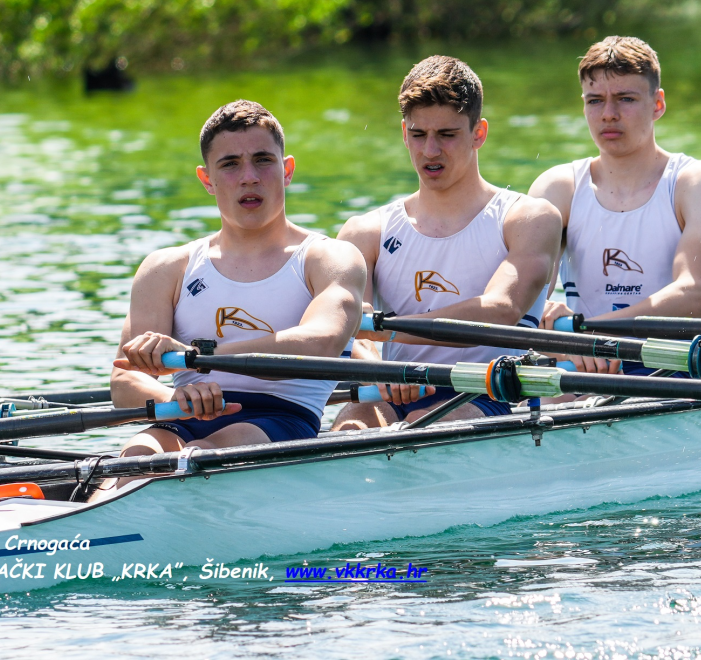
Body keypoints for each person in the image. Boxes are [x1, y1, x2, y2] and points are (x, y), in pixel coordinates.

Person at [106, 100, 366, 464]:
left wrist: (195, 359)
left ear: (287, 169)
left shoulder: (329, 258)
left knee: (202, 455)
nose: (249, 177)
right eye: (230, 165)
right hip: (183, 418)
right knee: (136, 456)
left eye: (263, 160)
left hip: (281, 420)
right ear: (206, 179)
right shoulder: (164, 268)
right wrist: (175, 399)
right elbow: (124, 381)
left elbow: (323, 341)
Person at [332, 56, 562, 430]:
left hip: (492, 394)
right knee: (350, 426)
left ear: (479, 133)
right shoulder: (366, 231)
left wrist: (386, 330)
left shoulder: (528, 218)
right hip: (395, 392)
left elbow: (500, 309)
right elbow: (346, 325)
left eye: (447, 135)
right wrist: (375, 366)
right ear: (404, 134)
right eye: (419, 135)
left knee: (427, 421)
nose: (430, 151)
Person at [529, 36, 701, 375]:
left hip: (669, 365)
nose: (608, 114)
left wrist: (590, 331)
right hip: (585, 362)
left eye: (625, 99)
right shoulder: (557, 188)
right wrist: (546, 310)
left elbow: (693, 294)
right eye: (595, 100)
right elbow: (528, 292)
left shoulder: (695, 183)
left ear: (658, 104)